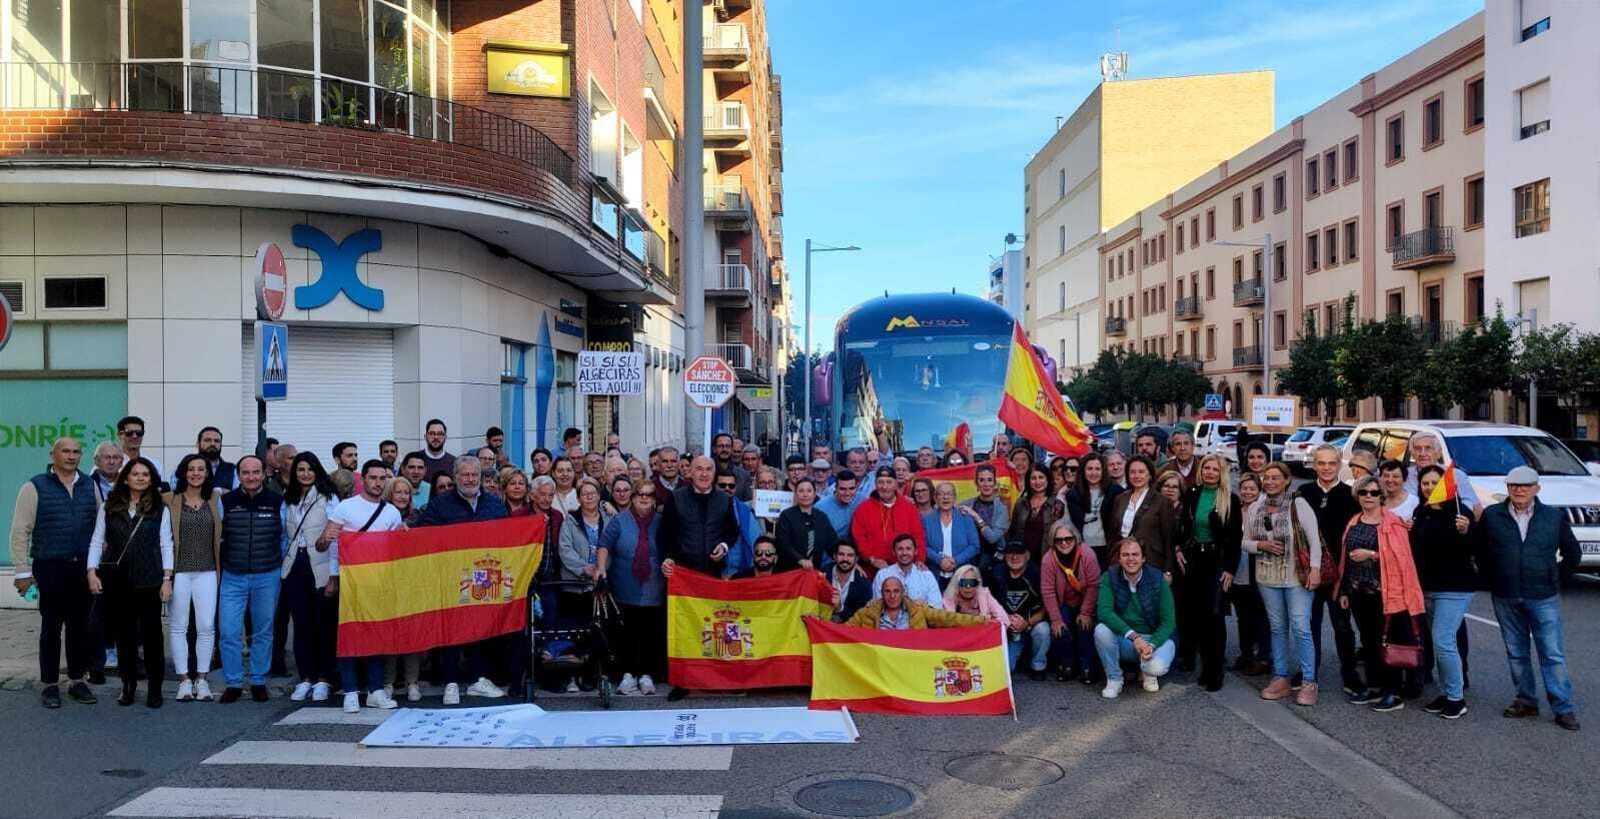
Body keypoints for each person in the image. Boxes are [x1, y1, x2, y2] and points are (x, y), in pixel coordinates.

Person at [1476, 465, 1581, 731]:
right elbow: (1479, 552)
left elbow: (1573, 553)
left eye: (1525, 486)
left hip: (1542, 595)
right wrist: (1492, 579)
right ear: (1507, 488)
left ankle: (1563, 707)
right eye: (1513, 486)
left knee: (1552, 653)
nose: (1519, 490)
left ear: (1536, 489)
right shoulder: (1492, 516)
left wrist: (1555, 579)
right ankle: (1526, 701)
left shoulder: (1552, 517)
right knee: (1517, 653)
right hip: (1506, 594)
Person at [10, 438, 101, 708]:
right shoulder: (34, 486)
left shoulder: (89, 484)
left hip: (81, 567)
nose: (71, 456)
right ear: (53, 454)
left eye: (76, 452)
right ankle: (49, 684)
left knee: (79, 627)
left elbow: (99, 526)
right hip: (50, 567)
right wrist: (21, 572)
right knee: (51, 628)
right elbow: (20, 532)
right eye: (66, 451)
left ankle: (76, 680)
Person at [415, 458, 508, 703]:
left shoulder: (495, 504)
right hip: (451, 577)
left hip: (484, 577)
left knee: (480, 631)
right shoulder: (440, 505)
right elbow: (422, 534)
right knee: (451, 631)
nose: (469, 479)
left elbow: (508, 538)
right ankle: (451, 683)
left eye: (473, 474)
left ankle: (478, 679)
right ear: (456, 477)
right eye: (464, 474)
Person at [318, 460, 404, 713]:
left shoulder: (392, 513)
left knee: (377, 635)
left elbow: (397, 550)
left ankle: (375, 690)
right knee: (349, 635)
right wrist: (326, 542)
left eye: (382, 478)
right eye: (373, 478)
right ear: (363, 480)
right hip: (350, 581)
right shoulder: (346, 508)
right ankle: (351, 690)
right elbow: (326, 547)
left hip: (380, 583)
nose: (378, 483)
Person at [86, 457, 173, 708]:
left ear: (151, 479)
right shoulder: (109, 506)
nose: (140, 478)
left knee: (152, 635)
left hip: (150, 580)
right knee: (124, 636)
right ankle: (128, 684)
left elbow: (166, 544)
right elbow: (96, 540)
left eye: (146, 474)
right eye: (135, 474)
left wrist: (167, 579)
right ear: (125, 477)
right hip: (118, 580)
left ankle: (154, 687)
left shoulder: (160, 507)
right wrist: (91, 572)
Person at [1337, 475, 1426, 713]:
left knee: (1386, 641)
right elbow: (1346, 560)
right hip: (1357, 593)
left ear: (1381, 496)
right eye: (1364, 492)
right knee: (1368, 642)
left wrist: (1371, 554)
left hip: (1385, 593)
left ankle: (1393, 692)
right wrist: (1344, 590)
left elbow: (1402, 560)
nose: (1369, 497)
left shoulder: (1393, 523)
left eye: (1374, 493)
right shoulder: (1354, 521)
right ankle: (1376, 686)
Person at [1242, 462, 1324, 705]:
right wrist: (1261, 546)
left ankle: (1309, 681)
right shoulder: (1256, 506)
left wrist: (1315, 570)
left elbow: (1315, 541)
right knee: (1277, 628)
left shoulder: (1298, 504)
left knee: (1301, 627)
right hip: (1267, 577)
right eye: (1266, 478)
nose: (1270, 482)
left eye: (1275, 477)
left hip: (1296, 577)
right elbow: (1245, 541)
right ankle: (1281, 677)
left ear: (1287, 480)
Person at [217, 455, 286, 704]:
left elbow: (284, 538)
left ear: (263, 474)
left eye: (256, 472)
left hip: (267, 575)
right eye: (245, 473)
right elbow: (219, 536)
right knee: (229, 631)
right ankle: (233, 682)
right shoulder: (225, 501)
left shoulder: (277, 501)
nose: (251, 477)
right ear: (239, 475)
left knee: (263, 631)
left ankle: (258, 680)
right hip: (233, 576)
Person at [1296, 444, 1364, 695]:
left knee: (1343, 627)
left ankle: (1349, 674)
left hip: (1340, 574)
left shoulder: (1350, 495)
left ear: (1339, 465)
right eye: (1321, 463)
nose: (1326, 468)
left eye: (1331, 463)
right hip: (1309, 573)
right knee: (1309, 626)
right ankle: (1308, 672)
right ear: (1314, 465)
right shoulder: (1303, 492)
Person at [1412, 465, 1476, 720]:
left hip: (1455, 586)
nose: (1429, 487)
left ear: (1446, 485)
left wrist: (1466, 531)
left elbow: (1475, 548)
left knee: (1443, 639)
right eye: (1425, 483)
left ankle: (1456, 699)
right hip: (1428, 587)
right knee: (1439, 644)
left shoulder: (1461, 514)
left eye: (1434, 483)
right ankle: (1447, 691)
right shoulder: (1421, 512)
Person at [596, 479, 666, 696]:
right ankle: (628, 675)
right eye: (639, 495)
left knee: (650, 632)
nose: (644, 499)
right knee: (626, 632)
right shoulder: (619, 520)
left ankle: (646, 675)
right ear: (633, 497)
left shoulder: (662, 522)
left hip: (654, 587)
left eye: (648, 495)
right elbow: (604, 545)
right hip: (624, 585)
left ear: (654, 500)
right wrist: (600, 568)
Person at [1179, 453, 1242, 691]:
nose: (1210, 473)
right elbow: (1184, 526)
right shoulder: (1192, 494)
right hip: (1195, 558)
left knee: (1214, 617)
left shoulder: (1229, 499)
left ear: (1221, 473)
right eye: (1206, 468)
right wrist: (1178, 547)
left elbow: (1236, 538)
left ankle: (1216, 671)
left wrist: (1230, 569)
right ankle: (1205, 667)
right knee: (1197, 617)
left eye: (1215, 469)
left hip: (1217, 562)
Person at [280, 452, 338, 704]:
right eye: (300, 469)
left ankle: (324, 679)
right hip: (296, 566)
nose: (305, 473)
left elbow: (336, 538)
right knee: (301, 626)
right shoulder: (289, 498)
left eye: (309, 469)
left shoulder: (329, 498)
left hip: (321, 567)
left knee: (323, 625)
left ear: (317, 470)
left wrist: (334, 576)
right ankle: (306, 678)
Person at [167, 453, 223, 702]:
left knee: (206, 627)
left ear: (208, 473)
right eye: (191, 469)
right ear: (183, 472)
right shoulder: (170, 499)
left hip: (208, 571)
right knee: (178, 626)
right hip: (179, 572)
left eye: (201, 469)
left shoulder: (215, 498)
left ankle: (202, 679)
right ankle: (183, 681)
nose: (196, 473)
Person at [1094, 537, 1177, 698]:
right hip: (1127, 638)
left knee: (1155, 667)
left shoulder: (1158, 579)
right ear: (1119, 558)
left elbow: (1169, 622)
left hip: (1154, 638)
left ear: (1143, 558)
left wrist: (1151, 645)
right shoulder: (1109, 576)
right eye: (1125, 555)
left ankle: (1147, 671)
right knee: (1101, 630)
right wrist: (1134, 636)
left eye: (1135, 554)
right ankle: (1114, 679)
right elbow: (1104, 611)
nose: (1131, 559)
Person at [660, 456, 740, 581]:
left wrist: (724, 546)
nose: (704, 474)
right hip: (683, 572)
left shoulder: (724, 499)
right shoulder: (676, 498)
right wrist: (668, 558)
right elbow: (665, 534)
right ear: (690, 472)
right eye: (699, 469)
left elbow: (732, 530)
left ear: (714, 474)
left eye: (709, 470)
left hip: (713, 572)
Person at [1041, 520, 1101, 684]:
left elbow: (1094, 585)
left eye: (1068, 538)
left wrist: (1086, 612)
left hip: (1086, 601)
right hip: (1064, 602)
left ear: (1075, 538)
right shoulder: (1049, 559)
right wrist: (1056, 619)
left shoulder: (1087, 554)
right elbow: (1048, 591)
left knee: (1084, 627)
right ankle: (1067, 665)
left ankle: (1088, 667)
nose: (1064, 543)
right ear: (1053, 541)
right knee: (1062, 628)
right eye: (1059, 540)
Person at [1106, 456, 1178, 580]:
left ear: (1150, 475)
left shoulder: (1162, 502)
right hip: (1122, 560)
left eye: (1141, 472)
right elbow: (1113, 532)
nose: (1136, 476)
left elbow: (1168, 539)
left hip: (1151, 561)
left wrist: (1168, 570)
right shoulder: (1120, 499)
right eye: (1132, 472)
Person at [1229, 473, 1272, 676]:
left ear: (1259, 491)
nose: (1247, 492)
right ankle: (1245, 654)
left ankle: (1263, 658)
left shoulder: (1263, 511)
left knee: (1260, 617)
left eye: (1252, 489)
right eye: (1244, 488)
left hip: (1258, 571)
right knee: (1242, 617)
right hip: (1237, 572)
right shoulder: (1235, 510)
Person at [990, 541, 1051, 680]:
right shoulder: (997, 573)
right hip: (1006, 625)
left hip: (1030, 623)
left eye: (1019, 553)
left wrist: (1027, 623)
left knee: (1043, 630)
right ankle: (1020, 657)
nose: (1014, 557)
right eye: (1010, 553)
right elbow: (988, 602)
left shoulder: (1037, 574)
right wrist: (1005, 620)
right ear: (1005, 556)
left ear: (1027, 556)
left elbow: (1046, 607)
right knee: (1007, 669)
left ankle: (1038, 665)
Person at [844, 575, 989, 630]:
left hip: (911, 663)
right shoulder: (866, 613)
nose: (892, 596)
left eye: (896, 591)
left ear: (903, 592)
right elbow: (841, 631)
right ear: (881, 594)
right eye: (887, 591)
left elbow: (949, 619)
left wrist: (983, 621)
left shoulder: (917, 610)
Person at [851, 467, 926, 571]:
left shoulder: (909, 508)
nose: (884, 487)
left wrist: (919, 559)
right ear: (875, 484)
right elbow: (859, 539)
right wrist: (871, 558)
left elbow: (918, 536)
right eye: (880, 482)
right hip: (873, 569)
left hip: (904, 567)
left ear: (895, 484)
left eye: (889, 482)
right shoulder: (863, 509)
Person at [1064, 453, 1121, 571]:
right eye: (1090, 469)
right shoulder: (1073, 494)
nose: (1093, 473)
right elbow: (1067, 523)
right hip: (1082, 548)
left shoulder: (1116, 492)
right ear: (1083, 471)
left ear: (1103, 471)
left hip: (1107, 548)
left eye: (1097, 469)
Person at [923, 481, 980, 588]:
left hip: (961, 573)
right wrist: (940, 561)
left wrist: (956, 560)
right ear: (935, 498)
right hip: (934, 574)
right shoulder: (927, 520)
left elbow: (975, 546)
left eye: (949, 494)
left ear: (954, 498)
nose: (946, 497)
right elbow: (923, 546)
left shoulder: (965, 518)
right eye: (941, 494)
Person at [1404, 432, 1478, 513]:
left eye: (1428, 448)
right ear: (1413, 454)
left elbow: (1475, 507)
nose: (1422, 453)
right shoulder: (1405, 475)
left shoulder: (1455, 475)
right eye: (1418, 449)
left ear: (1439, 453)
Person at [775, 478, 836, 570]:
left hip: (814, 570)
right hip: (790, 570)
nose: (805, 495)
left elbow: (833, 543)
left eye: (809, 491)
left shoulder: (822, 517)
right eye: (801, 491)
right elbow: (783, 544)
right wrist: (800, 560)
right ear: (795, 494)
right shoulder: (786, 516)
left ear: (815, 494)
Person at [959, 463, 1012, 567]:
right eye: (982, 480)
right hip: (970, 556)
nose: (986, 484)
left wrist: (976, 516)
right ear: (977, 484)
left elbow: (992, 538)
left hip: (993, 558)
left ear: (995, 483)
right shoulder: (967, 504)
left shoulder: (1001, 508)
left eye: (989, 480)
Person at [870, 533, 943, 607]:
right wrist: (911, 605)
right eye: (900, 549)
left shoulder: (926, 576)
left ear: (915, 551)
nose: (904, 553)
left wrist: (925, 606)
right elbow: (877, 607)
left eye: (908, 548)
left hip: (921, 617)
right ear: (893, 552)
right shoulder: (883, 575)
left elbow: (937, 606)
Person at [1008, 465, 1063, 562]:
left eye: (1041, 477)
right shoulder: (1021, 503)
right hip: (1022, 558)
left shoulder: (1057, 504)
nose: (1037, 482)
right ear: (1028, 481)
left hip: (1048, 558)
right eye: (1033, 478)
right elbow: (1013, 531)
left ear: (1048, 479)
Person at [942, 563, 1008, 623]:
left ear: (977, 584)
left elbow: (1004, 619)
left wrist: (989, 622)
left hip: (982, 634)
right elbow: (948, 622)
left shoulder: (984, 594)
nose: (968, 587)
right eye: (964, 583)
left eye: (972, 583)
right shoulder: (949, 596)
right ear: (957, 584)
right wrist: (980, 622)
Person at [116, 416, 166, 492]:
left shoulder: (155, 465)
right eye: (129, 433)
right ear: (120, 435)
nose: (135, 436)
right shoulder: (110, 464)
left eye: (139, 433)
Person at [827, 541, 873, 623]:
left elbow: (862, 617)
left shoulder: (864, 584)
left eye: (850, 555)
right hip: (822, 623)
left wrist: (840, 608)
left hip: (849, 628)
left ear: (856, 559)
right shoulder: (823, 574)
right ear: (834, 556)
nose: (845, 559)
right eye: (841, 554)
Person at [817, 471, 867, 543]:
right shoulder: (820, 508)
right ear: (835, 488)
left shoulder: (862, 501)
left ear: (857, 487)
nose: (847, 493)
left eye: (851, 488)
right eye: (843, 489)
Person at [191, 426, 237, 490]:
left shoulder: (233, 470)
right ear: (197, 444)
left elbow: (238, 495)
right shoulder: (185, 467)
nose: (212, 444)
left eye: (217, 441)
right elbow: (177, 494)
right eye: (207, 440)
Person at [711, 433, 752, 500]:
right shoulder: (707, 472)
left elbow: (747, 502)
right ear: (714, 449)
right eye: (721, 446)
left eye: (728, 446)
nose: (725, 449)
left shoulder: (743, 475)